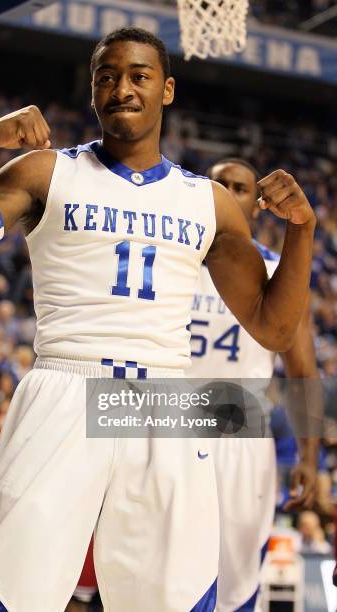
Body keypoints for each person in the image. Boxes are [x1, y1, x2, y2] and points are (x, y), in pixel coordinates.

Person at [0, 27, 315, 612]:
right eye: (107, 77)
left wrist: (302, 233)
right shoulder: (46, 172)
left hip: (166, 399)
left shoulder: (208, 201)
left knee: (176, 602)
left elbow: (274, 330)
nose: (122, 88)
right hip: (69, 383)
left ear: (167, 89)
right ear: (92, 92)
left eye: (139, 75)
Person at [185, 158, 320, 611]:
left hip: (240, 439)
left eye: (238, 187)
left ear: (257, 203)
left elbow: (302, 371)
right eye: (217, 184)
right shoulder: (170, 258)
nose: (225, 191)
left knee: (235, 590)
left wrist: (309, 457)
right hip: (164, 428)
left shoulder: (280, 272)